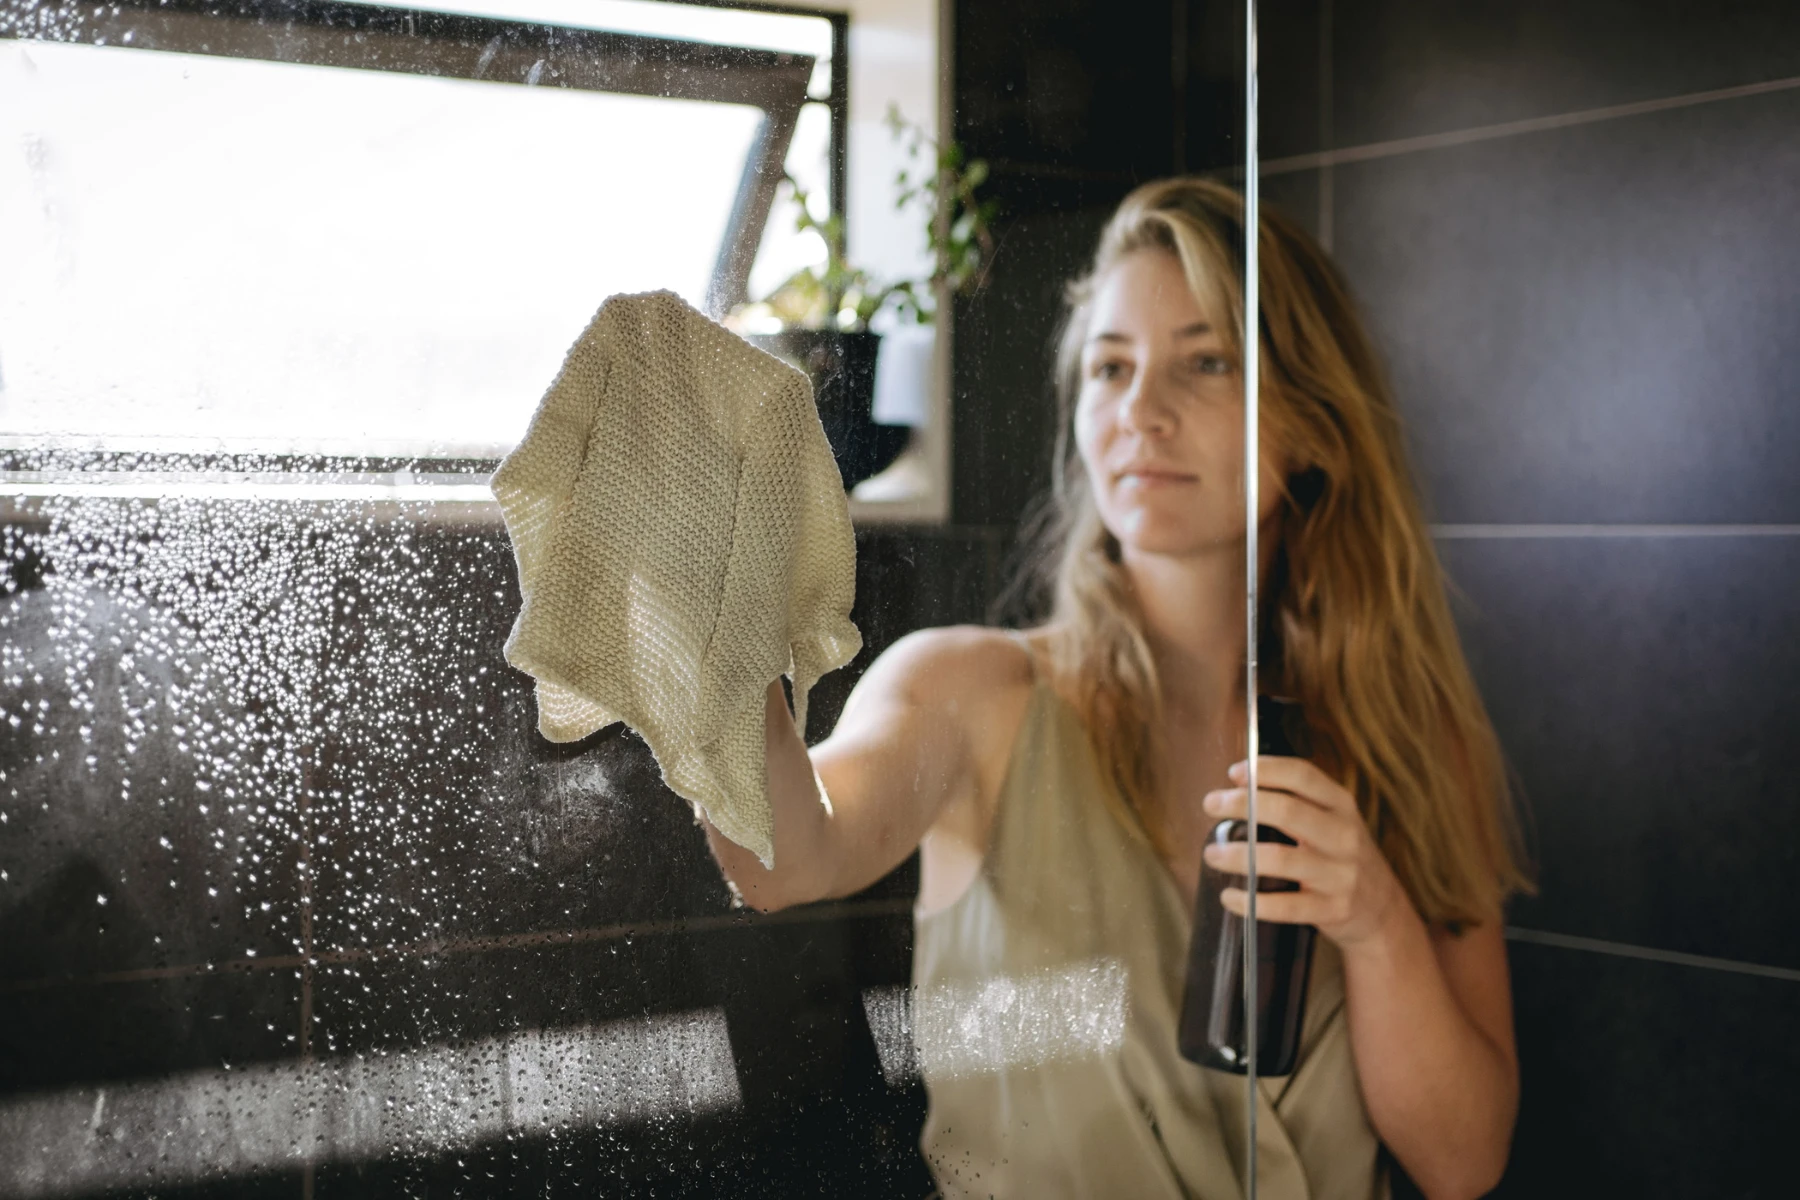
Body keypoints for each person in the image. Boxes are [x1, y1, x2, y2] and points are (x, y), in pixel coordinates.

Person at [702, 178, 1531, 1200]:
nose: (1141, 409)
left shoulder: (1406, 744)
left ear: (1312, 426)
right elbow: (784, 858)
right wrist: (720, 601)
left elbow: (1463, 1163)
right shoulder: (975, 693)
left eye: (1207, 361)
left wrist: (1376, 922)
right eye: (1111, 368)